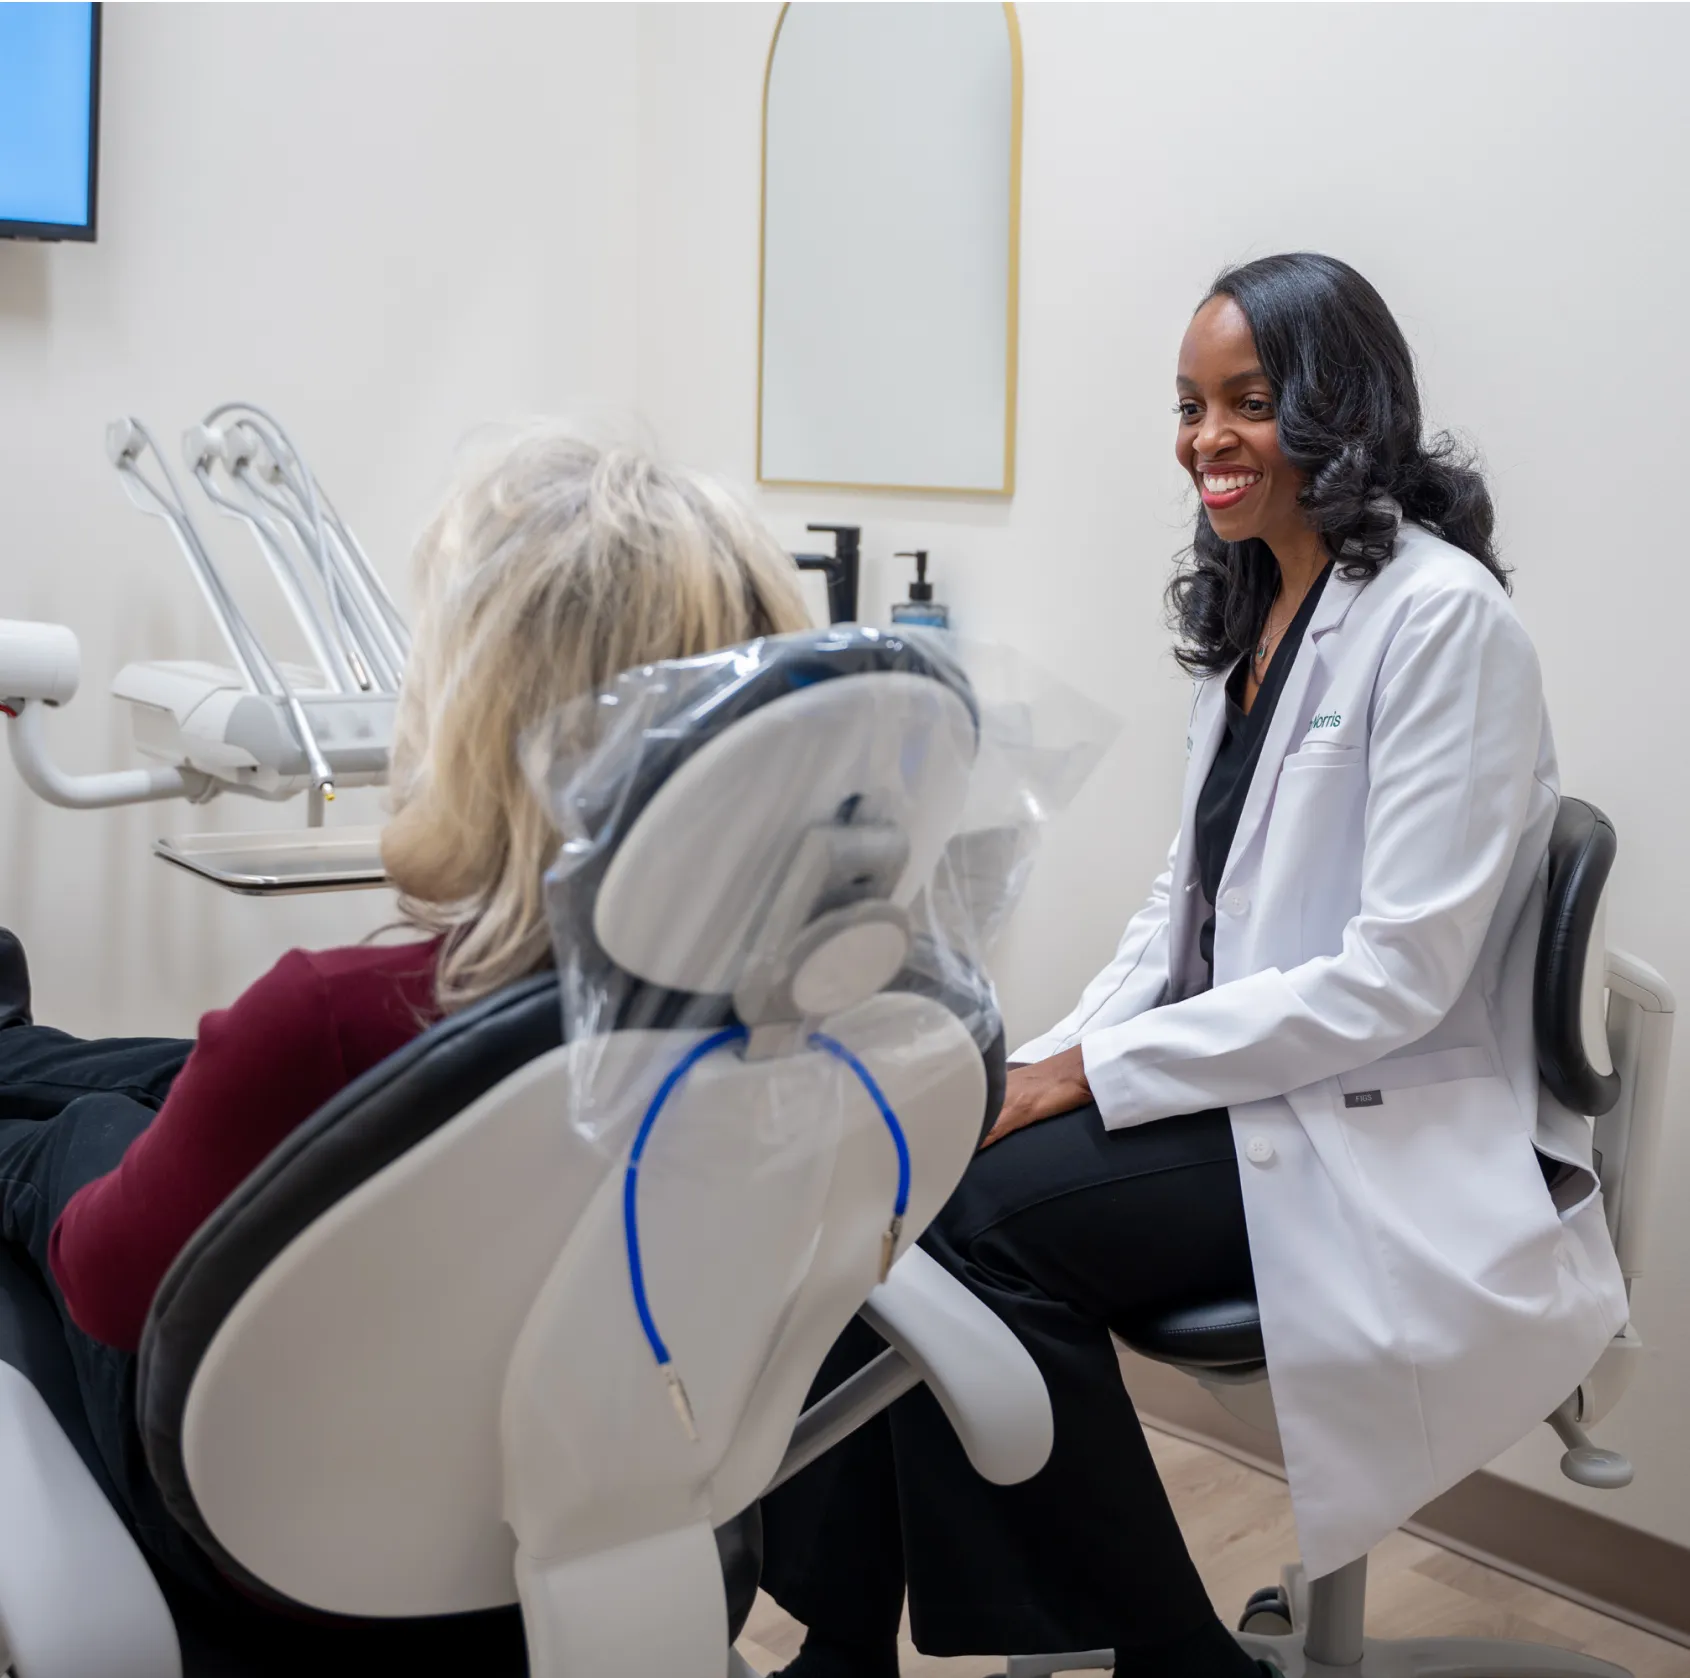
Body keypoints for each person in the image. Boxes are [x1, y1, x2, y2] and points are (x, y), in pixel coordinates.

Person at [759, 252, 1627, 1678]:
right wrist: (1030, 1060)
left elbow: (1392, 980)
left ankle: (1173, 1656)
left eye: (1247, 401)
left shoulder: (1441, 619)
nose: (1205, 440)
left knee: (969, 1231)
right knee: (905, 1167)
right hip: (1264, 1088)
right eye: (1186, 405)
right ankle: (840, 1645)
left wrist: (1087, 1070)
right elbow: (1183, 911)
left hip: (1378, 1119)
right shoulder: (1260, 607)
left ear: (1338, 408)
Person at [0, 433, 812, 1604]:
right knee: (141, 1074)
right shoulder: (794, 1020)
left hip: (276, 1553)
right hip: (611, 1504)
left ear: (487, 710)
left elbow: (103, 1284)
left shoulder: (331, 1022)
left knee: (75, 1131)